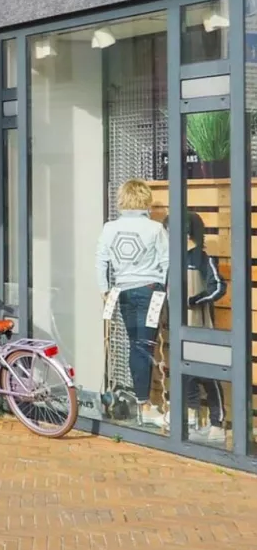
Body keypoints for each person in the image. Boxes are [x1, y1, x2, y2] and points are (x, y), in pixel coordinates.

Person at [95, 178, 169, 427]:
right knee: (144, 347)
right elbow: (167, 262)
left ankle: (142, 402)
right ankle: (144, 405)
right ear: (145, 200)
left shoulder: (109, 228)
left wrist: (105, 291)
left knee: (135, 345)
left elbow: (101, 261)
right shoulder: (156, 229)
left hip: (123, 292)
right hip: (150, 291)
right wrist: (167, 292)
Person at [185, 211, 227, 441]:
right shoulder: (174, 258)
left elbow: (219, 287)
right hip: (181, 327)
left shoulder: (202, 259)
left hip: (201, 325)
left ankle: (217, 424)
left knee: (209, 374)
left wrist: (196, 300)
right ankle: (193, 418)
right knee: (187, 374)